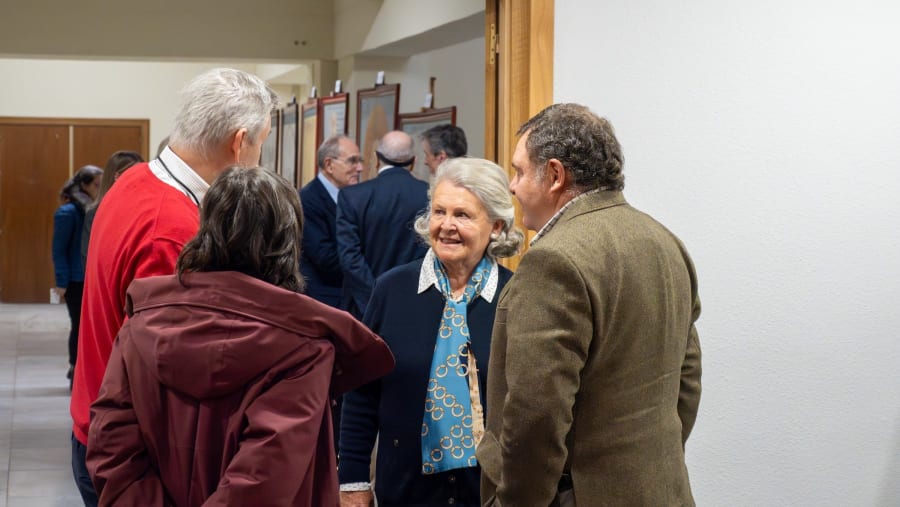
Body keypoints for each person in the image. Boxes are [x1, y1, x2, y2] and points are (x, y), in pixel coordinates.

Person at [86, 167, 394, 507]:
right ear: (287, 241)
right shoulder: (303, 349)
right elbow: (265, 479)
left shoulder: (140, 325)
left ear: (205, 228)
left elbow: (111, 445)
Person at [477, 103, 703, 506]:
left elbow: (536, 415)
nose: (511, 186)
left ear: (555, 175)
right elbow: (686, 381)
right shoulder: (666, 243)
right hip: (662, 490)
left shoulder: (554, 259)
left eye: (519, 171)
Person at [71, 67, 278, 507]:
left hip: (98, 418)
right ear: (240, 143)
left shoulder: (137, 178)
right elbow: (170, 372)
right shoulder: (173, 229)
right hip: (134, 452)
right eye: (262, 143)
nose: (259, 157)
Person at [339, 157, 523, 506]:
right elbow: (361, 394)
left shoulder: (515, 297)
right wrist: (352, 482)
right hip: (403, 489)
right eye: (439, 212)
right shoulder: (392, 289)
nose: (446, 225)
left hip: (488, 493)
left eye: (463, 215)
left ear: (496, 226)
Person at [336, 130, 429, 319]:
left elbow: (350, 258)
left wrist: (375, 299)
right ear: (413, 161)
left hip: (363, 309)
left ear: (377, 158)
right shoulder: (429, 195)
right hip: (415, 305)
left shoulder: (352, 197)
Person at [52, 164, 103, 386]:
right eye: (96, 185)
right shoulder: (68, 212)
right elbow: (59, 249)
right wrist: (61, 282)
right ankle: (75, 368)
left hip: (90, 276)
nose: (100, 189)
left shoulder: (94, 208)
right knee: (79, 325)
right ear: (84, 185)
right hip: (75, 279)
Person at [300, 135, 362, 308]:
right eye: (352, 161)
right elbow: (324, 257)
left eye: (360, 161)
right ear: (329, 165)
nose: (359, 168)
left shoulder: (354, 197)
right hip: (323, 299)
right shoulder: (308, 200)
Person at [81, 150, 144, 266]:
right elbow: (89, 259)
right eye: (133, 174)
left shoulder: (143, 211)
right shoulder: (95, 213)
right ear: (116, 177)